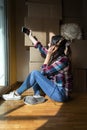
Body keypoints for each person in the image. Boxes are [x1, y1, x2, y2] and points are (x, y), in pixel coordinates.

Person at [2, 27, 73, 105]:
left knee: (36, 73)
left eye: (50, 43)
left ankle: (16, 94)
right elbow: (41, 48)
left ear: (54, 48)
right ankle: (37, 96)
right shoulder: (55, 55)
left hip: (61, 94)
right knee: (39, 74)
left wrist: (48, 55)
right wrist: (30, 36)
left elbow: (44, 71)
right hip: (56, 89)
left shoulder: (63, 60)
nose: (48, 44)